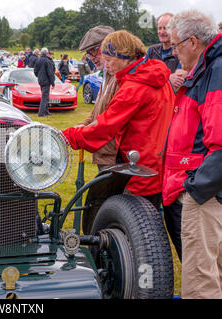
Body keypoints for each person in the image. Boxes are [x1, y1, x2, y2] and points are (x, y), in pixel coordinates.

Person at [62, 30, 175, 211]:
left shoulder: (134, 87)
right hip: (157, 165)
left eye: (109, 60)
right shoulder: (155, 76)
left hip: (139, 171)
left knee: (133, 229)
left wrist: (66, 136)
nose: (106, 66)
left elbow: (104, 128)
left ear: (124, 57)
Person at [162, 10, 221, 299]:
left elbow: (220, 142)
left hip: (206, 195)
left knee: (200, 283)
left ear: (193, 42)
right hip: (207, 189)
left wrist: (196, 187)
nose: (173, 52)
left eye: (176, 45)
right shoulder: (208, 68)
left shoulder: (216, 70)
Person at [75, 25, 118, 172]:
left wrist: (77, 135)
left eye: (95, 50)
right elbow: (95, 114)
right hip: (105, 153)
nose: (91, 58)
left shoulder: (120, 77)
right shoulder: (106, 75)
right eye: (88, 53)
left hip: (116, 157)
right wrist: (80, 126)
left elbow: (111, 121)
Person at [145, 13, 187, 92]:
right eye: (159, 28)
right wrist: (168, 78)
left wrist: (151, 78)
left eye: (165, 28)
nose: (161, 32)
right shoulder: (152, 50)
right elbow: (141, 74)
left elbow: (177, 82)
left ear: (174, 29)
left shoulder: (180, 51)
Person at [34, 48, 55, 117]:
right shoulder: (47, 61)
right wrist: (53, 82)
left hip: (40, 80)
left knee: (45, 96)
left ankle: (46, 111)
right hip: (46, 80)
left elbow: (35, 71)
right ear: (46, 53)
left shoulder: (38, 60)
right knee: (45, 97)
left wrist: (39, 76)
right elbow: (50, 72)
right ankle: (41, 113)